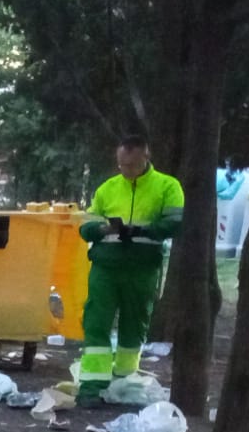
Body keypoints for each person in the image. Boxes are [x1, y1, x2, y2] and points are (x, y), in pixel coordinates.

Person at [75, 134, 184, 407]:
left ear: (146, 158)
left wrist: (141, 230)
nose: (126, 171)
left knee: (134, 325)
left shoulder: (167, 186)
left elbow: (175, 223)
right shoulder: (108, 188)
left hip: (142, 266)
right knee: (96, 323)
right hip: (106, 265)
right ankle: (91, 387)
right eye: (122, 165)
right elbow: (85, 226)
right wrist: (101, 229)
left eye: (132, 165)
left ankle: (124, 378)